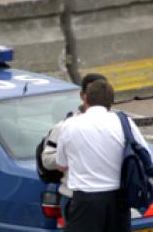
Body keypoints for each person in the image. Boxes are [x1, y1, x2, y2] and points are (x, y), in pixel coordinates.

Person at [56, 79, 150, 232]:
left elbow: (61, 164)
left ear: (85, 98)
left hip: (84, 201)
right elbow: (145, 155)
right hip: (118, 201)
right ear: (111, 102)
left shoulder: (69, 125)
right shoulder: (124, 122)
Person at [41, 73, 106, 222]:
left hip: (111, 198)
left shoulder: (120, 124)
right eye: (92, 93)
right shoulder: (66, 126)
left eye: (102, 92)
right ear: (82, 95)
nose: (98, 97)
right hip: (76, 199)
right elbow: (47, 160)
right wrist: (73, 155)